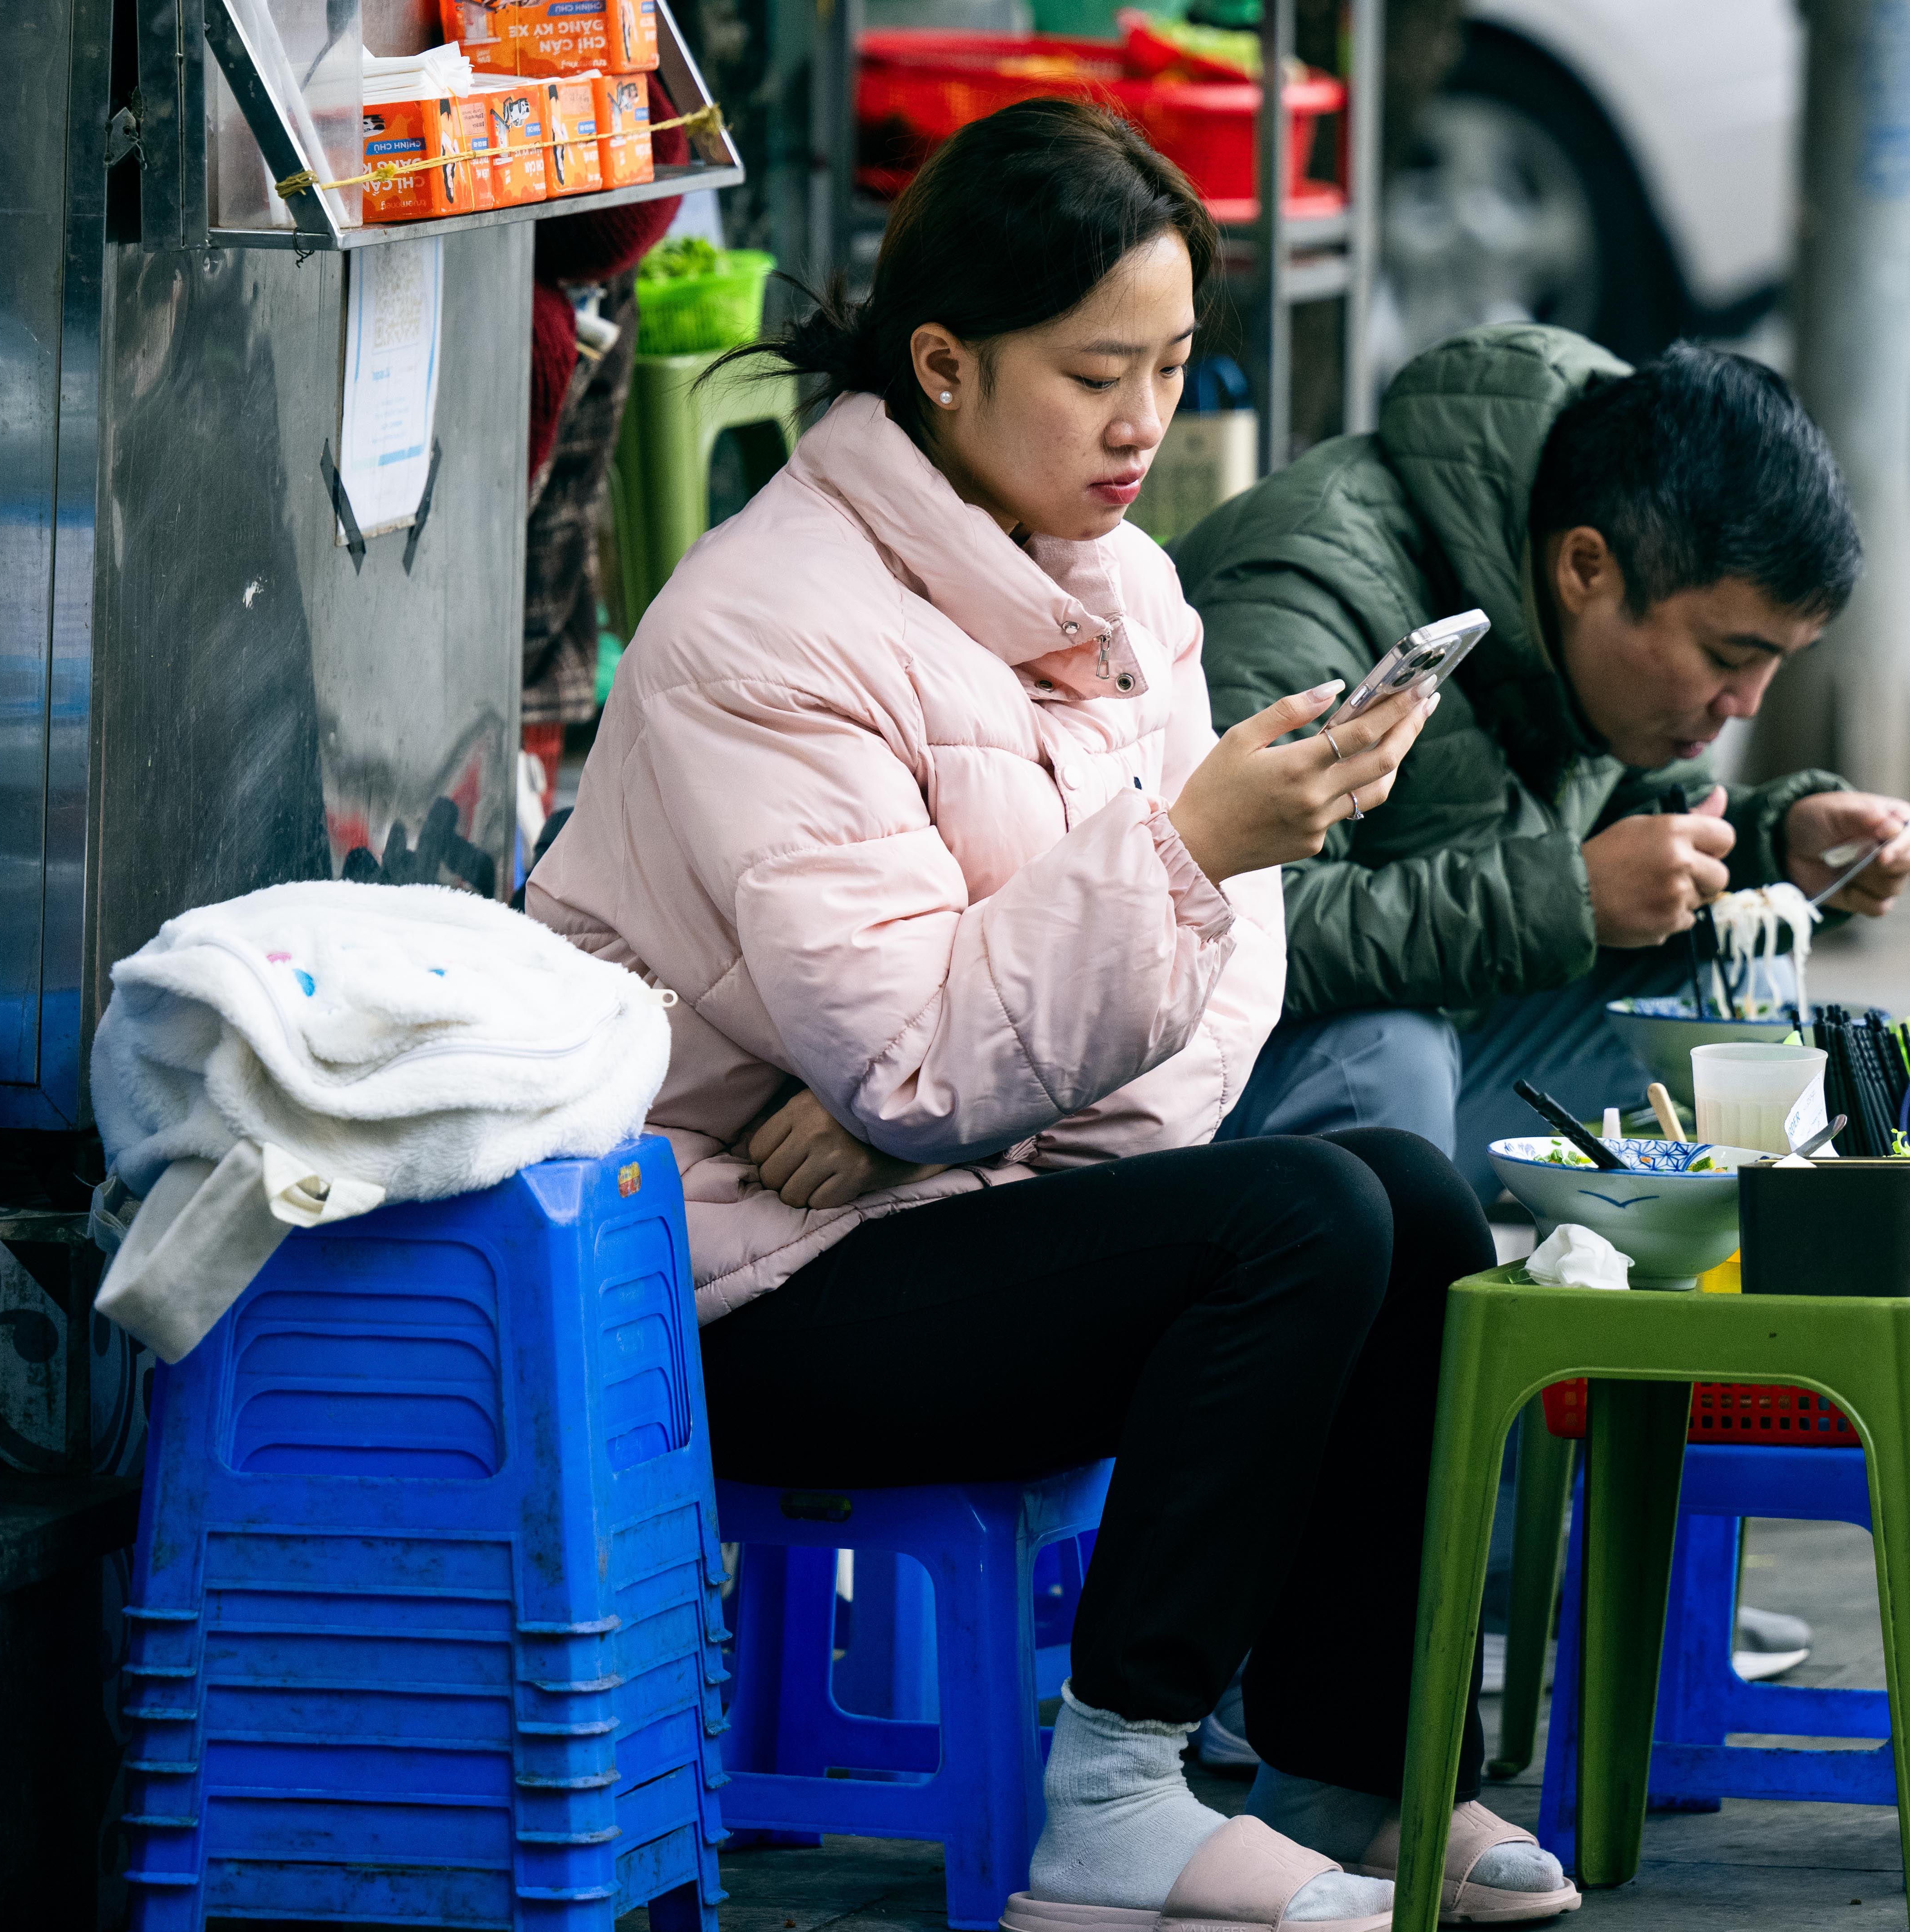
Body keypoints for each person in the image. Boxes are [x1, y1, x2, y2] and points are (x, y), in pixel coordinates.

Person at [527, 100, 1579, 1930]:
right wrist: (1168, 872)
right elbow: (926, 1042)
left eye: (1172, 365)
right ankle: (1110, 1797)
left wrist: (962, 1092)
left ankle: (1353, 1761)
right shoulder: (767, 631)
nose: (1142, 423)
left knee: (1407, 1193)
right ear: (943, 363)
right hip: (748, 1269)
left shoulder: (1133, 595)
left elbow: (1211, 993)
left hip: (940, 1194)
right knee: (1305, 1213)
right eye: (1096, 372)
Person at [1175, 328, 1910, 1191]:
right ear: (1586, 568)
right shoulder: (1309, 588)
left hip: (1454, 1041)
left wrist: (1771, 849)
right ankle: (1382, 1315)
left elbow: (1614, 813)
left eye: (1774, 665)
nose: (1747, 704)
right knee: (1391, 1054)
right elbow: (1225, 924)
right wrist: (1564, 898)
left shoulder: (1583, 527)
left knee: (1757, 1023)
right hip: (1225, 1110)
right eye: (1727, 658)